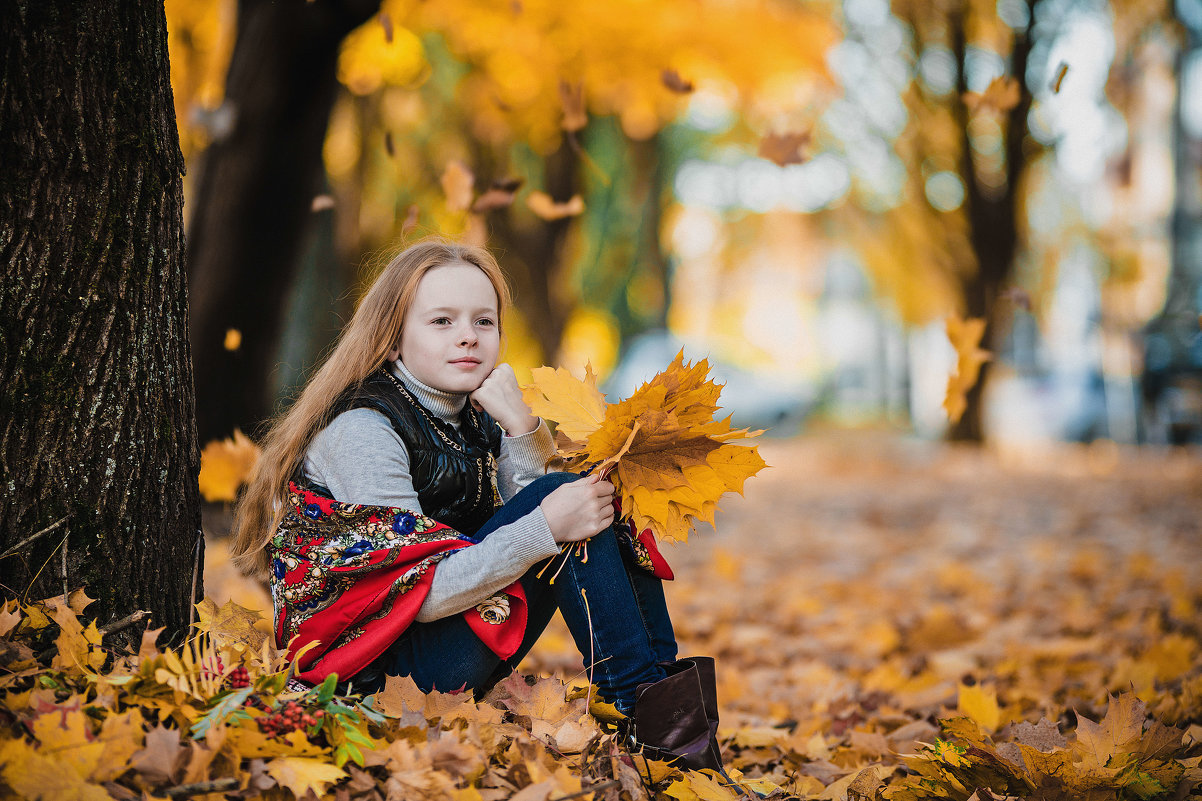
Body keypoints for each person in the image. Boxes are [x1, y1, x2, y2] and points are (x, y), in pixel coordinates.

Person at [230, 237, 724, 770]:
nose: (468, 337)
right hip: (370, 681)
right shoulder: (363, 431)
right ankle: (651, 726)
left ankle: (667, 725)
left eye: (483, 322)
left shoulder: (469, 416)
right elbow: (422, 592)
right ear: (393, 340)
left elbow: (532, 524)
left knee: (594, 500)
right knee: (565, 504)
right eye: (441, 321)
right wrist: (546, 524)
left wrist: (520, 427)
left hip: (433, 648)